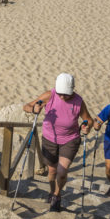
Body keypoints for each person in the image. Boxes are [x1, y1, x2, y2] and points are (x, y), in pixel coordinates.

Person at [23, 73, 94, 212]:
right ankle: (52, 191)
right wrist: (34, 109)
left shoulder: (78, 101)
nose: (62, 97)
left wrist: (87, 127)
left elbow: (89, 120)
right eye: (61, 93)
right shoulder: (49, 95)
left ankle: (56, 195)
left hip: (70, 139)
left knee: (61, 172)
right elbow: (26, 106)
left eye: (66, 94)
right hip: (49, 138)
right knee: (52, 170)